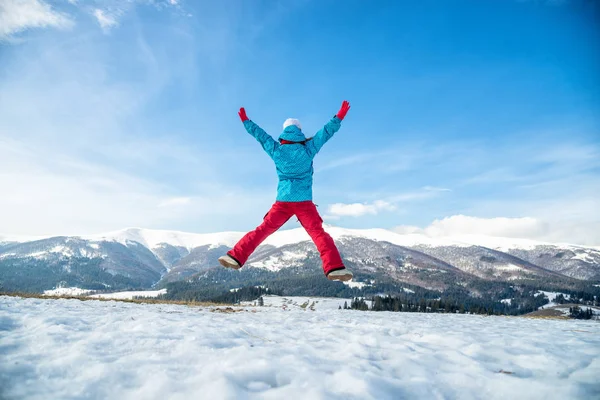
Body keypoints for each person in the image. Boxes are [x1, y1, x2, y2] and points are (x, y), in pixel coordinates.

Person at [218, 101, 353, 282]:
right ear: (299, 132)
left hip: (282, 201)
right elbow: (325, 133)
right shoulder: (308, 149)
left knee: (262, 230)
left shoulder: (277, 150)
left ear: (284, 132)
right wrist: (339, 116)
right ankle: (334, 267)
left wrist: (246, 121)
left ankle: (235, 256)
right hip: (304, 202)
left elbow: (261, 136)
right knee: (318, 234)